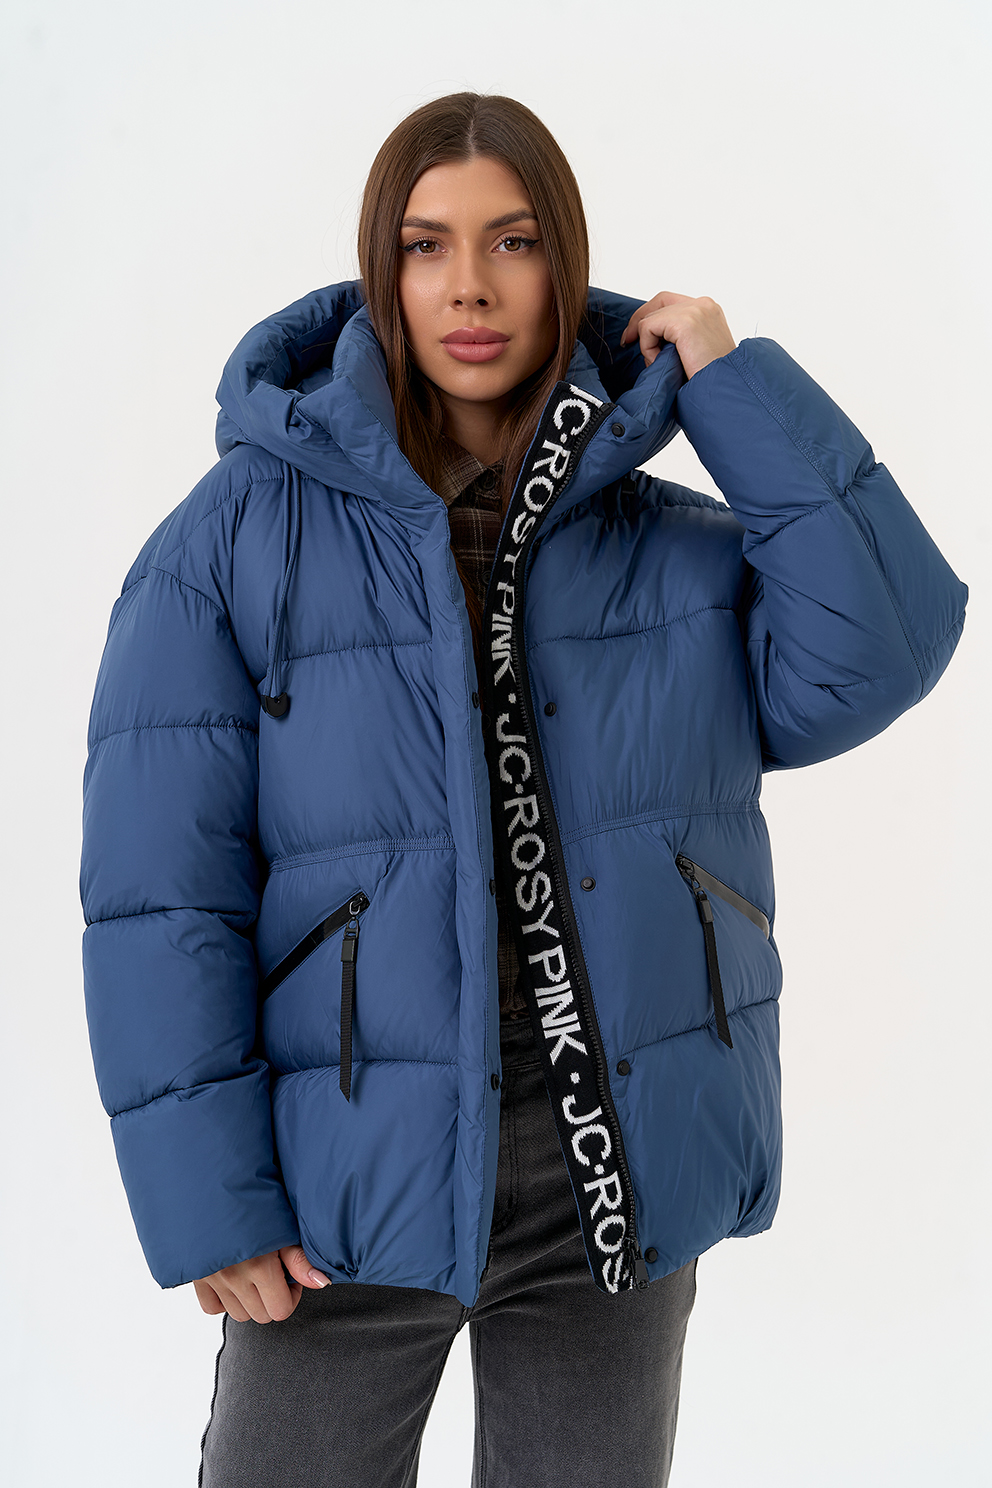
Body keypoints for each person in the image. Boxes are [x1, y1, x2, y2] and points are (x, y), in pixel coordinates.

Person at [79, 91, 967, 1487]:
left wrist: (733, 388)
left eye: (514, 241)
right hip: (343, 1175)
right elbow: (159, 890)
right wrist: (209, 1197)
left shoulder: (679, 553)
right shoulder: (235, 540)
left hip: (610, 1159)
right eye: (427, 246)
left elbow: (886, 647)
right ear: (382, 271)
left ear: (568, 264)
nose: (471, 288)